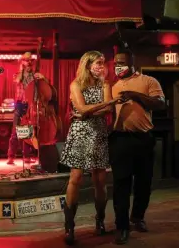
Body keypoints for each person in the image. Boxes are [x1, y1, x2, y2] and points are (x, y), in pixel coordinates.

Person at [61, 51, 119, 245]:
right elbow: (82, 107)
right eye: (98, 63)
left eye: (103, 63)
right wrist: (103, 104)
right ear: (87, 64)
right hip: (79, 133)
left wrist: (86, 112)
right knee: (75, 178)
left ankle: (100, 221)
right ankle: (69, 227)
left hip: (98, 134)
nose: (101, 67)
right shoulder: (76, 84)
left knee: (100, 180)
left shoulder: (105, 84)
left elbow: (106, 111)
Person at [110, 48, 165, 245]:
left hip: (143, 139)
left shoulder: (149, 81)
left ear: (132, 63)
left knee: (143, 183)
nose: (118, 66)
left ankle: (138, 217)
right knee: (121, 184)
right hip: (120, 139)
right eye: (116, 63)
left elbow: (160, 104)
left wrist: (135, 95)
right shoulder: (113, 85)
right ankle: (122, 226)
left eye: (122, 63)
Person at [6, 52, 47, 165]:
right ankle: (11, 156)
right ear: (22, 62)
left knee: (28, 131)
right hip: (20, 104)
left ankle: (27, 156)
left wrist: (43, 78)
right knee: (15, 131)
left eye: (30, 61)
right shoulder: (18, 74)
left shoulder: (35, 75)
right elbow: (18, 80)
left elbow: (43, 87)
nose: (29, 62)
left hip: (30, 105)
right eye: (26, 60)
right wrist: (22, 69)